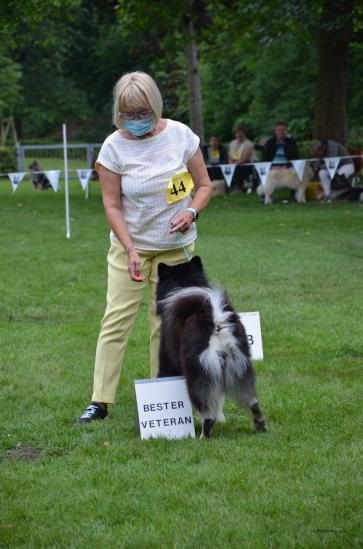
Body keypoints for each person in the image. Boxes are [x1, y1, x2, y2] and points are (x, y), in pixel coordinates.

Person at [78, 71, 212, 423]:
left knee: (165, 323)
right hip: (130, 248)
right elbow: (111, 204)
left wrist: (191, 212)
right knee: (116, 320)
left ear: (155, 106)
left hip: (174, 249)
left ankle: (163, 400)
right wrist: (130, 248)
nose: (135, 121)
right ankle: (100, 401)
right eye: (128, 114)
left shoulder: (181, 136)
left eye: (142, 113)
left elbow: (204, 186)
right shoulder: (113, 147)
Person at [261, 121, 300, 201]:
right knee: (268, 174)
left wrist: (286, 165)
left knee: (295, 174)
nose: (280, 132)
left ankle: (294, 195)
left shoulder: (291, 142)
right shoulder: (270, 142)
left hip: (287, 167)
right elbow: (265, 158)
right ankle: (266, 196)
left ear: (286, 131)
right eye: (278, 130)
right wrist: (272, 166)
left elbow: (295, 157)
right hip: (272, 167)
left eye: (283, 130)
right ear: (275, 131)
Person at [228, 125, 257, 193]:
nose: (239, 134)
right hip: (235, 163)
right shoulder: (232, 143)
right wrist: (230, 164)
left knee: (238, 168)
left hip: (248, 164)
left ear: (244, 134)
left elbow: (245, 158)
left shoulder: (248, 144)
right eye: (238, 133)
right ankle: (229, 187)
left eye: (241, 133)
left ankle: (239, 187)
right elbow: (229, 155)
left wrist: (234, 165)